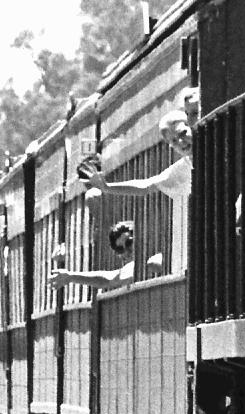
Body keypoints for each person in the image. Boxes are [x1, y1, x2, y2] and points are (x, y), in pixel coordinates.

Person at [73, 92, 197, 276]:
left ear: (192, 125)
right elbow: (146, 185)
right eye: (173, 141)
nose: (180, 142)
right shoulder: (184, 167)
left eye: (182, 133)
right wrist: (107, 187)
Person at [50, 220, 137, 290]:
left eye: (129, 242)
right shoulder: (133, 266)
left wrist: (71, 276)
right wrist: (71, 276)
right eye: (120, 249)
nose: (127, 250)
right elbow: (109, 279)